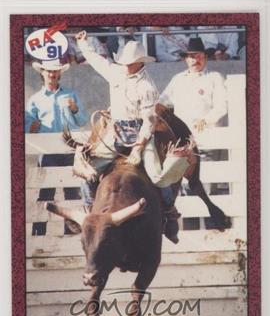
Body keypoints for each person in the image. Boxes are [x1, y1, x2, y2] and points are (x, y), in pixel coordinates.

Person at [75, 30, 193, 243]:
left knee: (157, 175)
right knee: (88, 168)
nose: (126, 66)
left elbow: (148, 121)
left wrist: (138, 148)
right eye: (124, 62)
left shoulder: (148, 87)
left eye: (129, 63)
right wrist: (83, 44)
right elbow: (96, 60)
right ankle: (90, 208)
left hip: (141, 133)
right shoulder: (116, 72)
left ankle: (169, 210)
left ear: (139, 63)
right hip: (116, 132)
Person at [159, 37, 227, 133]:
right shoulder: (177, 79)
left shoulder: (215, 78)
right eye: (191, 57)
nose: (195, 60)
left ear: (205, 57)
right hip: (181, 136)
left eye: (198, 56)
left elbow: (221, 107)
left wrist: (205, 120)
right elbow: (162, 101)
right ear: (186, 59)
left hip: (207, 134)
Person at [25, 59, 88, 134]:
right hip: (46, 141)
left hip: (71, 140)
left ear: (59, 73)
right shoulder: (35, 99)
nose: (52, 74)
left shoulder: (71, 94)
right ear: (42, 72)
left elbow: (82, 122)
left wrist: (75, 110)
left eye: (55, 71)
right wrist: (31, 127)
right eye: (48, 71)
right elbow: (27, 127)